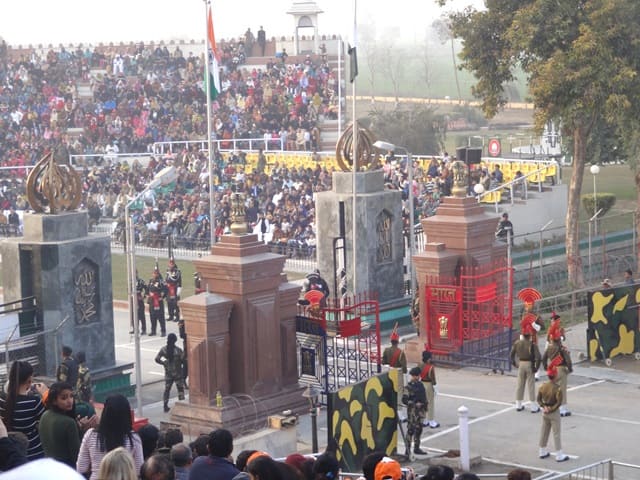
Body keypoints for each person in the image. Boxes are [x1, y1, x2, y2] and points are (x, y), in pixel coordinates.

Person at [76, 394, 144, 480]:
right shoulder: (133, 439)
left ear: (105, 412)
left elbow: (81, 468)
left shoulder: (90, 435)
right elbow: (139, 470)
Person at [0, 360, 47, 460]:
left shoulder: (2, 399)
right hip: (34, 454)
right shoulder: (34, 401)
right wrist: (45, 394)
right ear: (30, 379)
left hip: (10, 453)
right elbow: (47, 420)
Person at [38, 382, 81, 467]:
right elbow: (77, 456)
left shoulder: (45, 415)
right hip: (67, 468)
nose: (69, 401)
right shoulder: (69, 423)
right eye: (64, 398)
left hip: (49, 466)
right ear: (54, 401)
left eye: (71, 396)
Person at [537, 366, 569, 462]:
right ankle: (559, 454)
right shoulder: (557, 388)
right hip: (553, 412)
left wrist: (543, 406)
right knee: (556, 434)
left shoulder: (543, 386)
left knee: (544, 431)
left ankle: (542, 451)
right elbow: (559, 402)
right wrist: (551, 409)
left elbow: (538, 399)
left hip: (545, 411)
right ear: (555, 375)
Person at [542, 319, 572, 417]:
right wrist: (570, 369)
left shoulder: (549, 348)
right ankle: (563, 409)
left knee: (553, 389)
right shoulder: (561, 349)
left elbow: (544, 358)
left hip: (553, 369)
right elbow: (568, 360)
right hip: (561, 369)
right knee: (562, 389)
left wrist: (546, 367)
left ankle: (551, 405)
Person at [510, 324, 541, 412]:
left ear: (522, 335)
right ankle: (533, 406)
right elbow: (538, 357)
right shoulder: (532, 344)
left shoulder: (517, 343)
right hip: (529, 364)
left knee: (520, 384)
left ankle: (518, 405)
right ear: (530, 335)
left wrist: (514, 363)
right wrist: (536, 367)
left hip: (521, 364)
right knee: (531, 385)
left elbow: (511, 354)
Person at [155, 333, 186, 413]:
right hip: (178, 374)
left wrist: (164, 363)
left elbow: (157, 359)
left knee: (167, 390)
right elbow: (183, 360)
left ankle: (165, 406)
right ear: (175, 340)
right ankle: (182, 406)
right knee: (180, 389)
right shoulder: (178, 350)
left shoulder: (164, 349)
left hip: (168, 373)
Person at [402, 367, 427, 456]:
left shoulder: (420, 385)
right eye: (416, 376)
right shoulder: (408, 387)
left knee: (419, 429)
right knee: (411, 430)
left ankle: (416, 448)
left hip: (420, 411)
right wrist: (414, 403)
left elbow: (423, 397)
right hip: (412, 412)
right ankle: (407, 450)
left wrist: (423, 405)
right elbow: (404, 400)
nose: (417, 377)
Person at [417, 349, 439, 428]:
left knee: (423, 402)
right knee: (430, 403)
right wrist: (435, 388)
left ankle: (424, 420)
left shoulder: (419, 365)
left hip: (421, 384)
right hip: (428, 385)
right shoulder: (431, 367)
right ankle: (431, 421)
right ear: (428, 358)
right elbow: (433, 379)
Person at [148, 266, 168, 336]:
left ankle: (163, 331)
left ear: (158, 274)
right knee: (152, 316)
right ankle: (153, 331)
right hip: (152, 301)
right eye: (154, 273)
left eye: (156, 273)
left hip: (158, 301)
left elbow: (166, 290)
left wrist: (162, 297)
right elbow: (148, 289)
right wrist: (148, 295)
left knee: (160, 317)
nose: (155, 274)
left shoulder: (161, 281)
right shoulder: (151, 281)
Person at [165, 257, 182, 323]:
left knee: (175, 304)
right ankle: (171, 316)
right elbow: (167, 279)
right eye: (170, 263)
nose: (170, 265)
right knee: (169, 303)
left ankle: (177, 316)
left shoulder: (177, 271)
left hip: (175, 289)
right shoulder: (168, 271)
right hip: (169, 289)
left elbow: (179, 281)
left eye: (172, 263)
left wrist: (179, 289)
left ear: (174, 264)